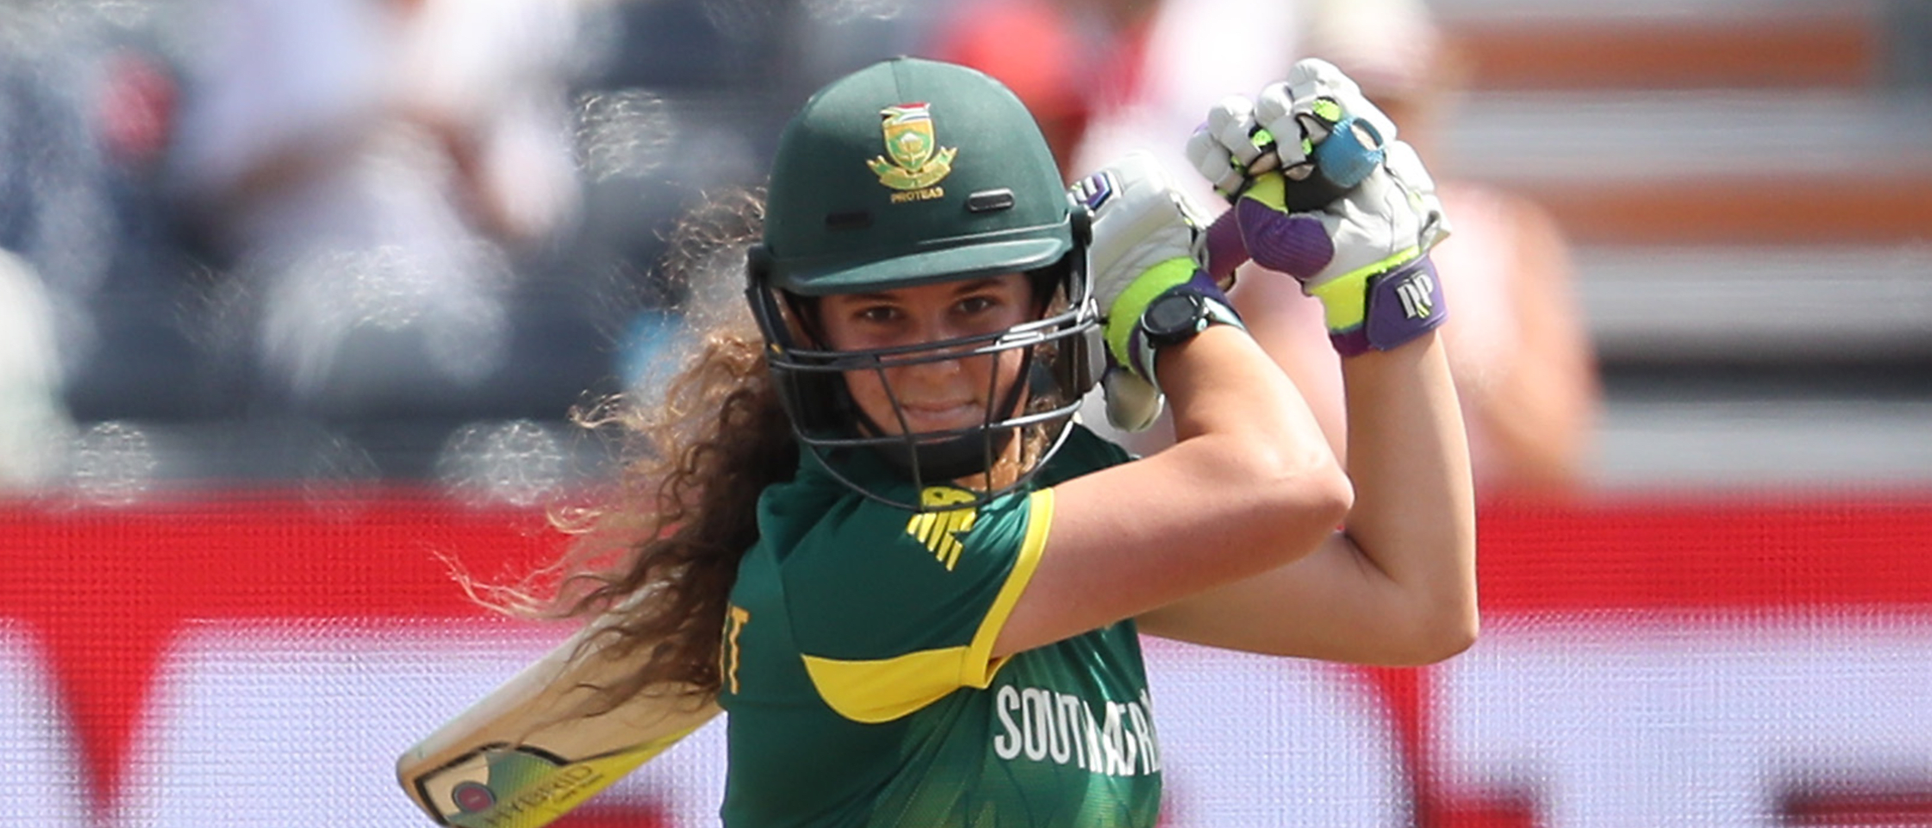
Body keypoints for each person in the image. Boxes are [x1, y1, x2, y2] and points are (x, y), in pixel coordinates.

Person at [497, 56, 1475, 826]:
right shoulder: (864, 568)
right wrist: (1175, 311)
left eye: (974, 303)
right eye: (879, 313)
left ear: (1048, 299)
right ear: (803, 325)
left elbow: (1415, 607)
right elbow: (1290, 483)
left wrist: (1384, 297)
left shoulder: (1055, 502)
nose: (932, 361)